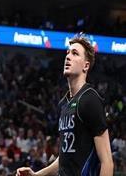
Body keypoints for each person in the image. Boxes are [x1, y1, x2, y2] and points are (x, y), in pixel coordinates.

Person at [16, 35, 114, 176]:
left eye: (75, 53)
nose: (68, 57)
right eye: (68, 53)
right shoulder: (64, 103)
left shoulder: (89, 99)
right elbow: (64, 158)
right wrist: (36, 175)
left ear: (86, 66)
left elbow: (107, 162)